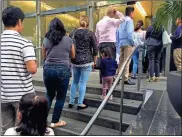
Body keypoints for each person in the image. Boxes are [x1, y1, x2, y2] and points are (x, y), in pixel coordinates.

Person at [1, 6, 37, 135]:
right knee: (22, 130)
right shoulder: (24, 43)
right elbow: (32, 69)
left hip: (3, 95)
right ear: (19, 22)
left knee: (5, 130)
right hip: (23, 97)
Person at [42, 18, 75, 128]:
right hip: (63, 70)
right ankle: (55, 121)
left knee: (49, 94)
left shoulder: (46, 39)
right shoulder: (68, 39)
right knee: (60, 97)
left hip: (48, 69)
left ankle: (42, 121)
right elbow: (73, 55)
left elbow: (44, 56)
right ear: (62, 27)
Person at [69, 15, 98, 110]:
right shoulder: (90, 33)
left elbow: (70, 45)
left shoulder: (73, 32)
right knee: (83, 83)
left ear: (79, 22)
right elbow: (95, 48)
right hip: (86, 61)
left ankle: (71, 102)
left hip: (75, 60)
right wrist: (94, 61)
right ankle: (80, 103)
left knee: (74, 82)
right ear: (87, 23)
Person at [95, 6, 125, 84]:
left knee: (103, 62)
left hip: (101, 44)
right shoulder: (111, 20)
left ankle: (102, 79)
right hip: (110, 44)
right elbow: (123, 19)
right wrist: (117, 12)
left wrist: (98, 44)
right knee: (111, 62)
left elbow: (96, 36)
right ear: (112, 12)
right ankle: (111, 81)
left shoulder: (99, 22)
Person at [116, 7, 135, 85]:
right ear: (131, 13)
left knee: (121, 61)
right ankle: (125, 78)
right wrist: (132, 42)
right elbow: (130, 33)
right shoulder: (129, 21)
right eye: (133, 13)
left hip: (121, 43)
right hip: (128, 43)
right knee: (127, 60)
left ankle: (117, 76)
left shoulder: (122, 20)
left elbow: (118, 32)